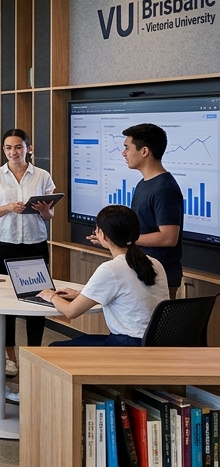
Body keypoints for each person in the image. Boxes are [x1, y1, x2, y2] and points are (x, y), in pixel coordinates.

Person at [0, 129, 56, 373]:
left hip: (34, 243)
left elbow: (50, 214)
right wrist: (8, 208)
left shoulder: (42, 175)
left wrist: (45, 211)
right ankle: (9, 356)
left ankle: (35, 354)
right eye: (8, 147)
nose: (13, 152)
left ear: (28, 148)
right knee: (5, 300)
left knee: (39, 299)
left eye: (18, 147)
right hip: (4, 243)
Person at [38, 205, 165, 347]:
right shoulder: (155, 263)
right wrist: (81, 295)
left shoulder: (111, 269)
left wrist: (51, 296)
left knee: (54, 348)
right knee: (85, 340)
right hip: (156, 342)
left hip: (128, 345)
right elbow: (129, 298)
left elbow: (70, 312)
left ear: (102, 235)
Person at [117, 122, 184, 298]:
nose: (123, 153)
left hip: (160, 275)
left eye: (127, 148)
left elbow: (168, 238)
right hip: (143, 269)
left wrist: (125, 240)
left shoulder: (164, 189)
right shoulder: (144, 183)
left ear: (144, 151)